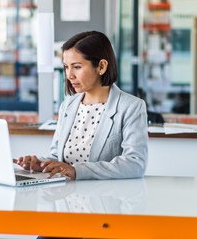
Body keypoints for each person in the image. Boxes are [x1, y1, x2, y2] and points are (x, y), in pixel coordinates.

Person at [14, 31, 148, 180]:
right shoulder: (68, 106)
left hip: (104, 199)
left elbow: (135, 164)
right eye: (66, 67)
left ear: (102, 66)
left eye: (76, 67)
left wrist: (77, 170)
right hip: (66, 197)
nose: (69, 75)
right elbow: (56, 157)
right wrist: (40, 164)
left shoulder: (131, 107)